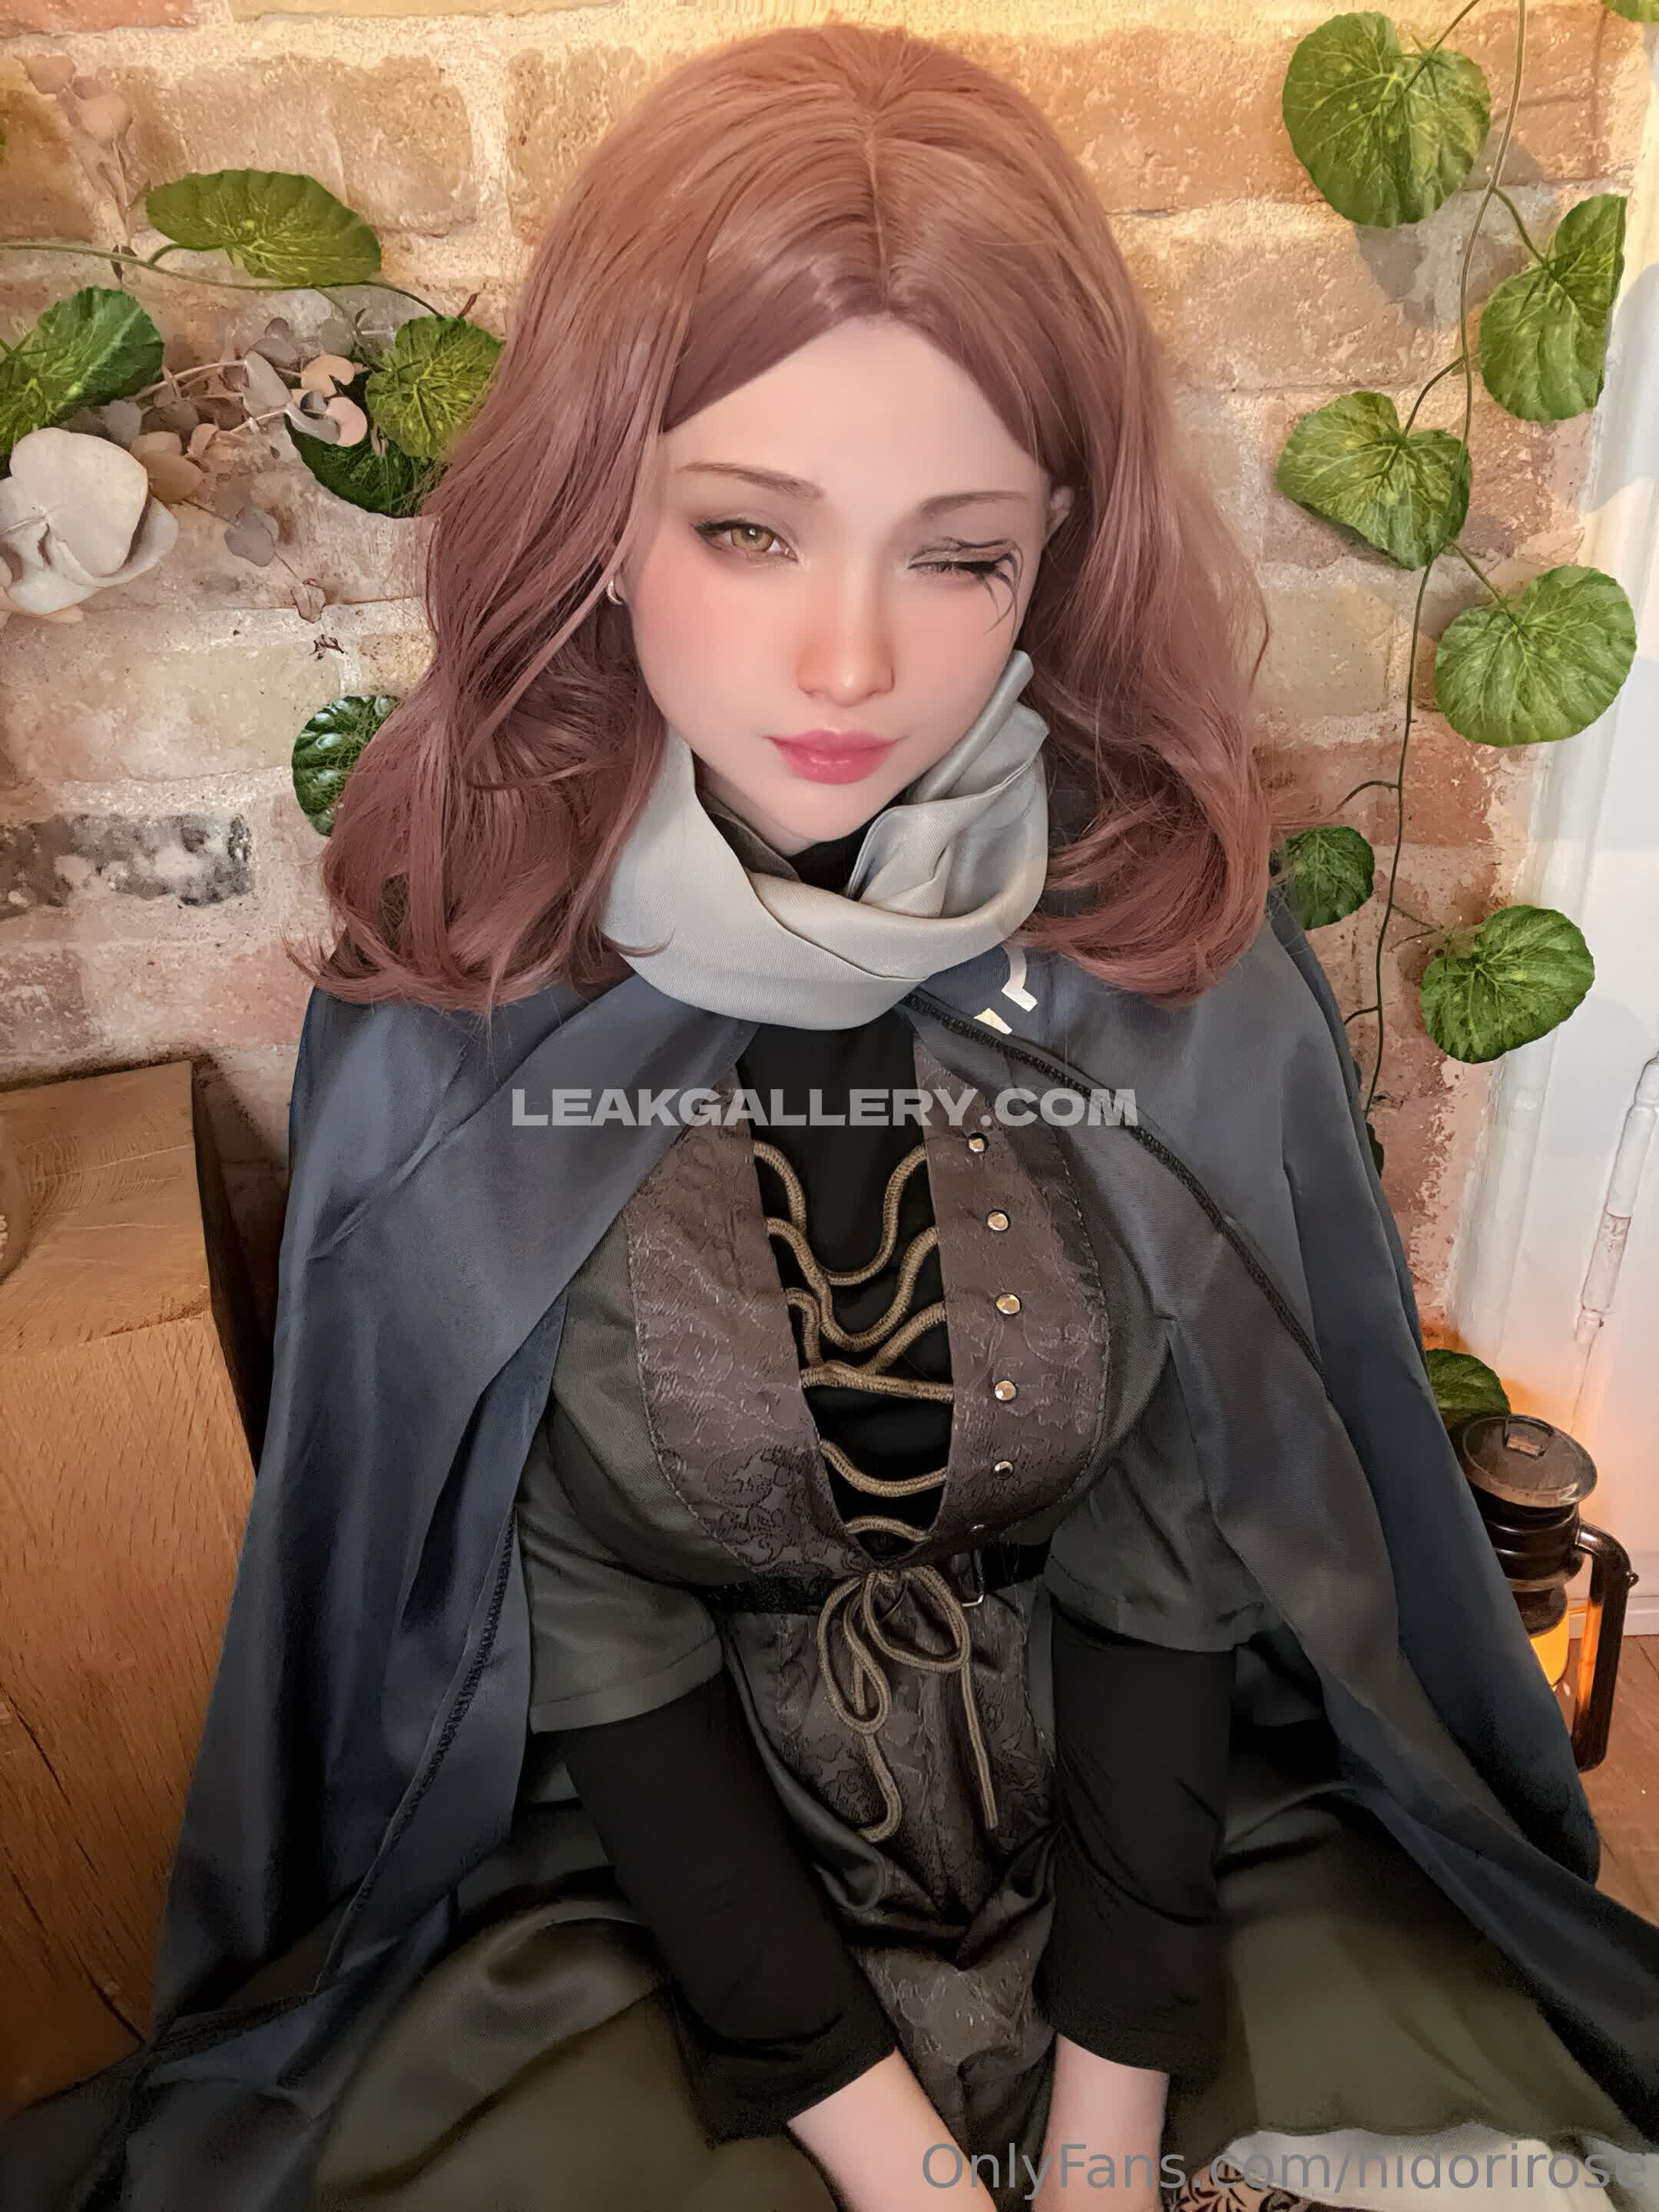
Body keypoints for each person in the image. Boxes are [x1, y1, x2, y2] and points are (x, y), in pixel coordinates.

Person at [3, 24, 1656, 2212]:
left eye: (957, 556)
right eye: (747, 528)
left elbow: (1180, 1538)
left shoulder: (1170, 958)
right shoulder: (461, 999)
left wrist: (1101, 2139)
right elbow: (567, 1607)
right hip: (642, 1868)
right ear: (602, 518)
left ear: (1055, 553)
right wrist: (896, 2159)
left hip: (1156, 1827)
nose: (850, 664)